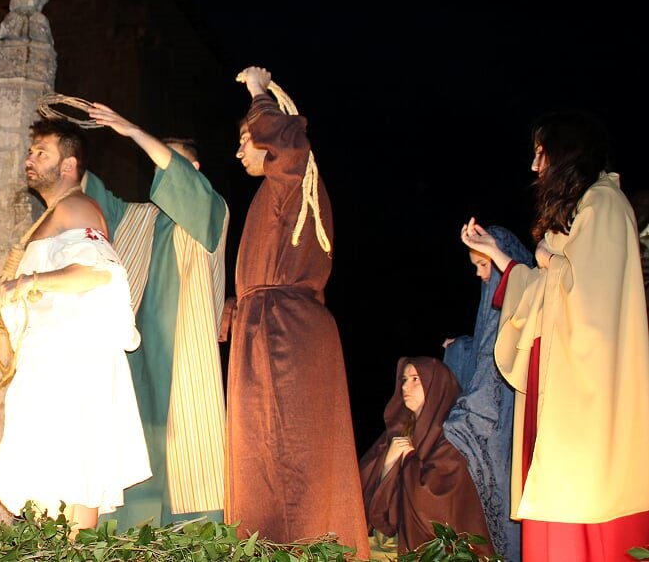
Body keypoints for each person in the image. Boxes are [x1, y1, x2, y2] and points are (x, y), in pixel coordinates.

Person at [461, 109, 649, 561]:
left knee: (582, 520)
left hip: (584, 404)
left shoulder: (604, 205)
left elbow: (592, 306)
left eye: (541, 155)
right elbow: (548, 294)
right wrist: (503, 258)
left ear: (565, 155)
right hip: (555, 393)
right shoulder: (580, 215)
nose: (534, 167)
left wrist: (548, 258)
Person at [221, 66, 368, 556]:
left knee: (282, 458)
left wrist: (261, 95)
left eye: (247, 138)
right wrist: (232, 314)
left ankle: (294, 549)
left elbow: (290, 141)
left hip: (283, 335)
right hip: (268, 328)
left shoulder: (292, 179)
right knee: (262, 455)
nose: (240, 150)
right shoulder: (272, 195)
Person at [0, 118, 150, 534]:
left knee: (78, 470)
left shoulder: (77, 208)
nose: (30, 159)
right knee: (50, 474)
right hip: (51, 360)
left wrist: (28, 281)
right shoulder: (54, 215)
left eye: (42, 153)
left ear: (69, 164)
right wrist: (10, 287)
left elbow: (101, 274)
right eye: (30, 151)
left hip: (74, 362)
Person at [82, 102, 228, 528]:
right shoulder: (136, 217)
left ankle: (190, 536)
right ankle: (124, 533)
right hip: (134, 347)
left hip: (183, 346)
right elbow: (89, 194)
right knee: (131, 432)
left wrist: (130, 129)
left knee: (185, 438)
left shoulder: (209, 210)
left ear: (193, 169)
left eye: (169, 161)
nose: (158, 168)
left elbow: (185, 184)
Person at [442, 226, 532, 562]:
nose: (481, 275)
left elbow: (495, 373)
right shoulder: (492, 306)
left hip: (504, 422)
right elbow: (483, 353)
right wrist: (460, 348)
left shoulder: (515, 301)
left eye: (484, 265)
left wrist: (458, 419)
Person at [359, 357, 493, 558]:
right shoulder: (399, 432)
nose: (405, 386)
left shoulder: (451, 437)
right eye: (404, 379)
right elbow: (363, 487)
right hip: (391, 542)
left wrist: (407, 460)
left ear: (435, 385)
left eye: (415, 379)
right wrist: (388, 464)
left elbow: (438, 502)